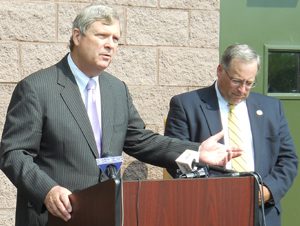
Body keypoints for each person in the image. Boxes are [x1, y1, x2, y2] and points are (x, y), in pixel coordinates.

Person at [0, 4, 243, 226]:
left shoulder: (116, 89)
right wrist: (47, 191)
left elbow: (140, 140)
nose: (110, 44)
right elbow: (13, 153)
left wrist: (196, 151)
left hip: (106, 214)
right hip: (54, 217)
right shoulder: (37, 88)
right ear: (77, 36)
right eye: (102, 36)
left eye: (115, 39)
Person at [164, 44, 298, 226]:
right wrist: (219, 192)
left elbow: (288, 159)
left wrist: (267, 191)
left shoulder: (271, 108)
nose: (242, 90)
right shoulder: (186, 105)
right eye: (236, 81)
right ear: (220, 70)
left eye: (249, 83)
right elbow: (177, 159)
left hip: (262, 212)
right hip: (208, 209)